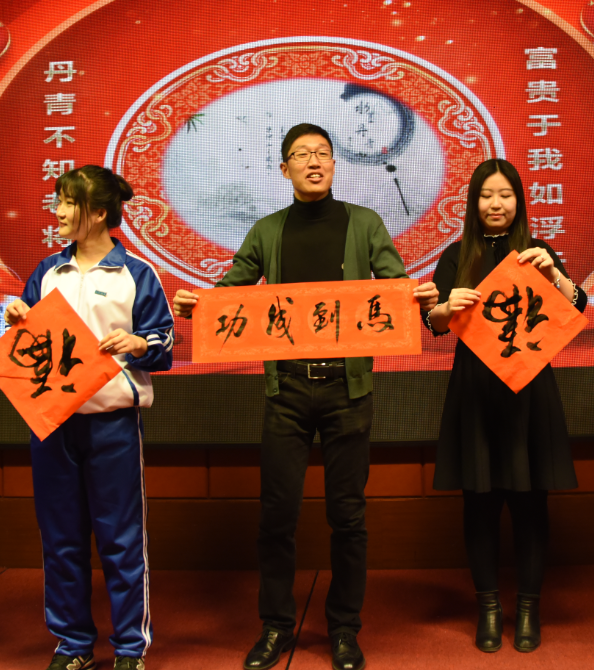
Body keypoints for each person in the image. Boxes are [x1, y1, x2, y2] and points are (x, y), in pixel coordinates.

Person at [172, 123, 438, 670]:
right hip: (287, 390)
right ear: (284, 168)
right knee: (276, 517)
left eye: (322, 153)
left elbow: (397, 289)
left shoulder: (365, 223)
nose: (313, 162)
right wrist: (201, 305)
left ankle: (344, 630)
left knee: (348, 518)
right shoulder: (267, 230)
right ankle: (275, 626)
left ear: (335, 165)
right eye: (301, 155)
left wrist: (421, 298)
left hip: (348, 391)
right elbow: (231, 290)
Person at [4, 165, 175, 670]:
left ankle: (129, 649)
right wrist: (16, 318)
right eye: (57, 200)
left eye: (67, 202)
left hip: (112, 425)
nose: (57, 211)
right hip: (51, 423)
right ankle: (73, 644)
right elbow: (28, 342)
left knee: (121, 539)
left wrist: (139, 343)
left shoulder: (136, 273)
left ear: (98, 213)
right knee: (60, 539)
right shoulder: (47, 271)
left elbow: (164, 343)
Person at [423, 158, 585, 654]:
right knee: (480, 504)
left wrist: (555, 276)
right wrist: (444, 308)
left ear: (519, 201)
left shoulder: (537, 252)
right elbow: (433, 323)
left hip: (530, 391)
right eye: (486, 195)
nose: (496, 204)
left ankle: (529, 608)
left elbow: (577, 307)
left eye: (505, 195)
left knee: (532, 503)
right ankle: (489, 609)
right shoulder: (456, 255)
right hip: (475, 392)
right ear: (473, 202)